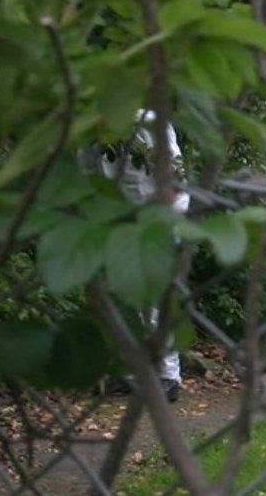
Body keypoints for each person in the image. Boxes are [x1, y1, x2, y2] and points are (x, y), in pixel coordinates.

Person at [78, 108, 188, 402]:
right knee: (120, 299)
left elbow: (175, 173)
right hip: (112, 219)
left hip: (152, 217)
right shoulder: (88, 127)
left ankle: (167, 374)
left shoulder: (149, 123)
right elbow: (88, 174)